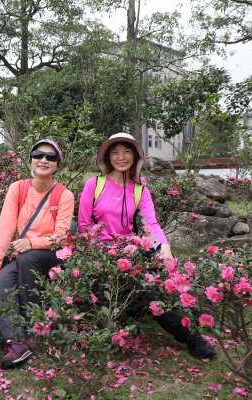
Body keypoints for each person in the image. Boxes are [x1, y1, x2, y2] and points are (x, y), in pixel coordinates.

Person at [77, 132, 215, 360]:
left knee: (163, 272)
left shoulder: (140, 189)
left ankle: (188, 318)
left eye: (126, 152)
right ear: (107, 157)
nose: (121, 157)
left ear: (135, 156)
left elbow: (151, 224)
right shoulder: (95, 184)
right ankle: (189, 336)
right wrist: (101, 251)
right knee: (150, 289)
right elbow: (84, 225)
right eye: (115, 152)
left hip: (131, 249)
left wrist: (165, 246)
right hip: (100, 251)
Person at [0, 139, 75, 370]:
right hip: (23, 256)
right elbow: (5, 227)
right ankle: (14, 342)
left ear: (57, 165)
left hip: (52, 255)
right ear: (31, 160)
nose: (44, 160)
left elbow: (61, 237)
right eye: (38, 155)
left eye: (51, 157)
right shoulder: (18, 188)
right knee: (3, 278)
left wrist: (32, 242)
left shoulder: (64, 195)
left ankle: (35, 328)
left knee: (28, 256)